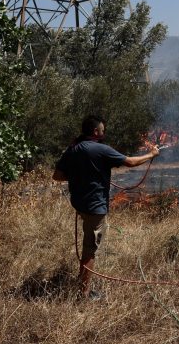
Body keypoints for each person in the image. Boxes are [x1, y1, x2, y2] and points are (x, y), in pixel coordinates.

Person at [53, 115, 160, 299]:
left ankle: (82, 285)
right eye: (102, 130)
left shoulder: (72, 149)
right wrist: (152, 154)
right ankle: (84, 295)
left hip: (80, 204)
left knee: (89, 245)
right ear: (96, 131)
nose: (104, 132)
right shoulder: (100, 149)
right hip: (95, 207)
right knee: (90, 251)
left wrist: (81, 177)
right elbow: (130, 162)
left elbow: (57, 175)